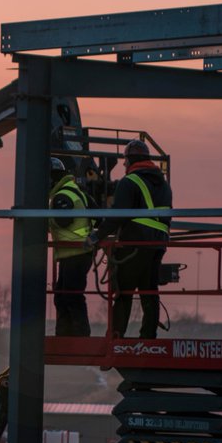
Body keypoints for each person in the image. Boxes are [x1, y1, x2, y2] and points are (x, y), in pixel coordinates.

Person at [94, 139, 172, 339]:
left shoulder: (129, 182)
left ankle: (116, 335)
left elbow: (117, 216)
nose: (124, 165)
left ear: (129, 160)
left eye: (124, 161)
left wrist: (96, 236)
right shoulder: (163, 184)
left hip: (134, 244)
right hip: (158, 244)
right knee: (149, 291)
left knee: (124, 291)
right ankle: (148, 335)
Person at [48, 157, 92, 337]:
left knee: (71, 295)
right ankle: (65, 334)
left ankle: (78, 336)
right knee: (62, 295)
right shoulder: (75, 191)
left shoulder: (62, 197)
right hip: (75, 253)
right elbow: (97, 215)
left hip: (75, 253)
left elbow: (63, 220)